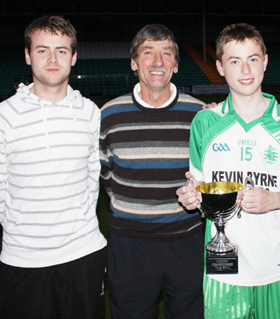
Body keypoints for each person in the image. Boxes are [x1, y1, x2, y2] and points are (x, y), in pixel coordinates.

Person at [177, 23, 280, 319]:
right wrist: (190, 195)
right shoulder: (205, 123)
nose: (245, 69)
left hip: (276, 265)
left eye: (252, 58)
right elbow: (197, 185)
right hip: (223, 270)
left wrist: (273, 200)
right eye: (234, 61)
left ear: (265, 62)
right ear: (220, 67)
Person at [0, 15, 107, 319]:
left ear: (74, 57)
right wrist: (25, 230)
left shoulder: (89, 112)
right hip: (23, 261)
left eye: (61, 50)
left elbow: (93, 179)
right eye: (42, 50)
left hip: (84, 256)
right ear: (27, 55)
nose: (52, 58)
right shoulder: (2, 117)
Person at [99, 24, 205, 319]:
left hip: (186, 241)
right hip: (129, 245)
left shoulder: (200, 116)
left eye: (166, 53)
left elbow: (210, 177)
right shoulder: (109, 115)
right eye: (148, 52)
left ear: (175, 65)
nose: (158, 62)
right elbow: (106, 174)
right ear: (134, 63)